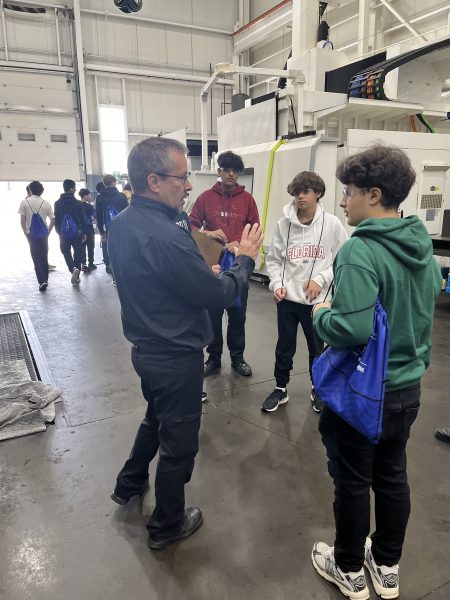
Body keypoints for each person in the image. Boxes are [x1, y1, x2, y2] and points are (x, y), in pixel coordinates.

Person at [107, 137, 262, 550]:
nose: (189, 186)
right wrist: (244, 261)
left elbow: (143, 277)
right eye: (182, 177)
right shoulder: (167, 236)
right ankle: (166, 525)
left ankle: (129, 483)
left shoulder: (121, 224)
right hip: (175, 357)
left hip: (145, 350)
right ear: (154, 181)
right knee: (178, 444)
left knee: (155, 418)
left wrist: (195, 273)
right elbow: (216, 298)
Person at [310, 145, 442, 600]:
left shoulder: (360, 250)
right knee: (391, 476)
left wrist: (320, 312)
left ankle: (347, 567)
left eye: (347, 192)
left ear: (373, 194)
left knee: (351, 481)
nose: (342, 201)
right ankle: (386, 566)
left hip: (365, 393)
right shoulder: (419, 243)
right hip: (407, 388)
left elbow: (351, 328)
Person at [262, 171, 348, 414]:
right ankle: (280, 388)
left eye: (305, 192)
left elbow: (342, 258)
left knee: (317, 349)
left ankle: (318, 388)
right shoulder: (283, 225)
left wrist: (320, 279)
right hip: (287, 300)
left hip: (317, 303)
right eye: (297, 192)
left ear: (318, 194)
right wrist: (276, 284)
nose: (300, 196)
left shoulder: (332, 224)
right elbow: (274, 260)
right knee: (284, 346)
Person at [190, 151, 260, 377]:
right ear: (219, 171)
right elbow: (190, 229)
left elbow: (256, 229)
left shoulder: (247, 200)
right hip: (212, 268)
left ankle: (238, 358)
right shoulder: (204, 198)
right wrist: (209, 233)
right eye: (226, 170)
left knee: (238, 315)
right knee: (213, 315)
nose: (231, 174)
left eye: (235, 171)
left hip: (239, 265)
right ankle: (214, 357)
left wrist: (241, 242)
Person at [18, 180, 55, 291]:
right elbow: (53, 219)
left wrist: (26, 232)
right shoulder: (46, 203)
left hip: (31, 235)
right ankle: (46, 279)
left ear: (30, 190)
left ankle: (42, 281)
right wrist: (48, 231)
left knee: (36, 257)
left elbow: (22, 221)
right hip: (44, 234)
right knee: (44, 256)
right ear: (41, 191)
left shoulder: (24, 202)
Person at [54, 179, 87, 285]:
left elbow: (56, 219)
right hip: (77, 232)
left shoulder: (57, 203)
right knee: (78, 252)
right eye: (74, 187)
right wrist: (84, 232)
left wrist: (59, 232)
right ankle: (76, 275)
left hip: (63, 233)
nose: (75, 189)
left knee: (65, 251)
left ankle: (73, 269)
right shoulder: (78, 203)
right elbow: (82, 219)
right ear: (71, 189)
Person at [95, 174, 128, 275]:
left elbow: (99, 217)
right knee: (121, 245)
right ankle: (122, 264)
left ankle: (109, 265)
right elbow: (127, 212)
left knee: (107, 246)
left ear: (105, 184)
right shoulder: (122, 196)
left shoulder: (99, 198)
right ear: (114, 182)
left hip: (107, 228)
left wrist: (101, 232)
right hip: (121, 227)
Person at [79, 188, 97, 272]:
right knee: (90, 247)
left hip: (80, 230)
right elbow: (94, 216)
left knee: (82, 247)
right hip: (89, 229)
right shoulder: (89, 207)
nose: (90, 196)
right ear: (85, 195)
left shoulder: (77, 205)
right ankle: (91, 264)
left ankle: (83, 264)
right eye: (89, 194)